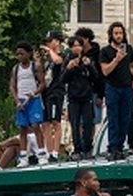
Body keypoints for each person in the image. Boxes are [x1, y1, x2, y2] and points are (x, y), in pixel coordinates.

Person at [99, 22, 133, 161]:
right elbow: (105, 71)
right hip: (112, 87)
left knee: (125, 118)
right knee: (113, 118)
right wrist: (116, 59)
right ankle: (113, 147)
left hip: (127, 87)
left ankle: (121, 146)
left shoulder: (128, 49)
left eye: (120, 33)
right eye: (116, 33)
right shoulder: (105, 51)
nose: (118, 36)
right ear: (111, 34)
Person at [61, 36, 98, 159]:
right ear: (71, 48)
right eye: (74, 46)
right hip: (73, 98)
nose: (77, 48)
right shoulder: (67, 61)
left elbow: (96, 78)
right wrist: (68, 69)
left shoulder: (87, 60)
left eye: (79, 45)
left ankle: (87, 148)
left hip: (87, 97)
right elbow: (62, 80)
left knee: (88, 123)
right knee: (75, 124)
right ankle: (77, 149)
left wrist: (89, 66)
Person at [10, 41, 46, 166]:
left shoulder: (35, 66)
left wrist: (34, 93)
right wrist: (17, 101)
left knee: (36, 125)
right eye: (17, 54)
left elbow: (42, 83)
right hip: (21, 101)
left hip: (33, 99)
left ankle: (42, 154)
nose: (19, 56)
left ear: (29, 53)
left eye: (22, 53)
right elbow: (12, 86)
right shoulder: (16, 69)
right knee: (22, 128)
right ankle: (24, 156)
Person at [40, 31, 66, 164]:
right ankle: (47, 151)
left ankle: (55, 153)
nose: (48, 44)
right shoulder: (47, 59)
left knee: (55, 122)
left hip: (56, 92)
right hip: (45, 92)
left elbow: (58, 61)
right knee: (45, 123)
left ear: (57, 42)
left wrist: (50, 51)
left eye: (51, 41)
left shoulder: (61, 55)